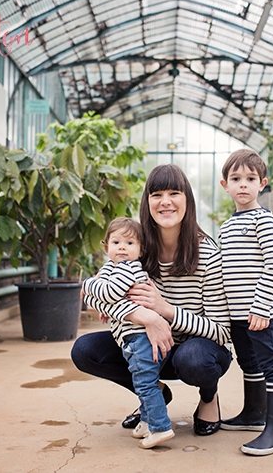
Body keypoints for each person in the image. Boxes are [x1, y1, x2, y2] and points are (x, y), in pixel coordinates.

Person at [72, 164, 232, 439]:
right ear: (147, 202)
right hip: (149, 348)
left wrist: (165, 311)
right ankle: (153, 393)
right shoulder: (135, 247)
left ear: (187, 200)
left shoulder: (207, 254)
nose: (165, 202)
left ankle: (209, 397)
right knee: (85, 350)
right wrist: (145, 317)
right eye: (156, 194)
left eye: (174, 193)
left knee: (194, 359)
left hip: (192, 351)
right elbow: (95, 297)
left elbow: (222, 331)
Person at [218, 149, 273, 456]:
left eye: (250, 179)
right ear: (225, 185)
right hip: (236, 315)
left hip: (258, 314)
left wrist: (261, 307)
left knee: (271, 364)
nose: (243, 185)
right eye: (236, 179)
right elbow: (222, 272)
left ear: (262, 183)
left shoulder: (265, 220)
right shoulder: (226, 227)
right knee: (247, 363)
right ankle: (253, 413)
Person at [82, 217, 174, 449]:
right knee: (140, 380)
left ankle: (160, 427)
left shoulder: (128, 268)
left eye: (130, 243)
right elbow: (104, 300)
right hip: (131, 338)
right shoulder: (112, 268)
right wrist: (108, 307)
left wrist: (87, 284)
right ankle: (146, 419)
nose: (122, 247)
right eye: (116, 242)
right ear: (106, 247)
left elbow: (110, 293)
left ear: (141, 250)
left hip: (141, 338)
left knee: (145, 383)